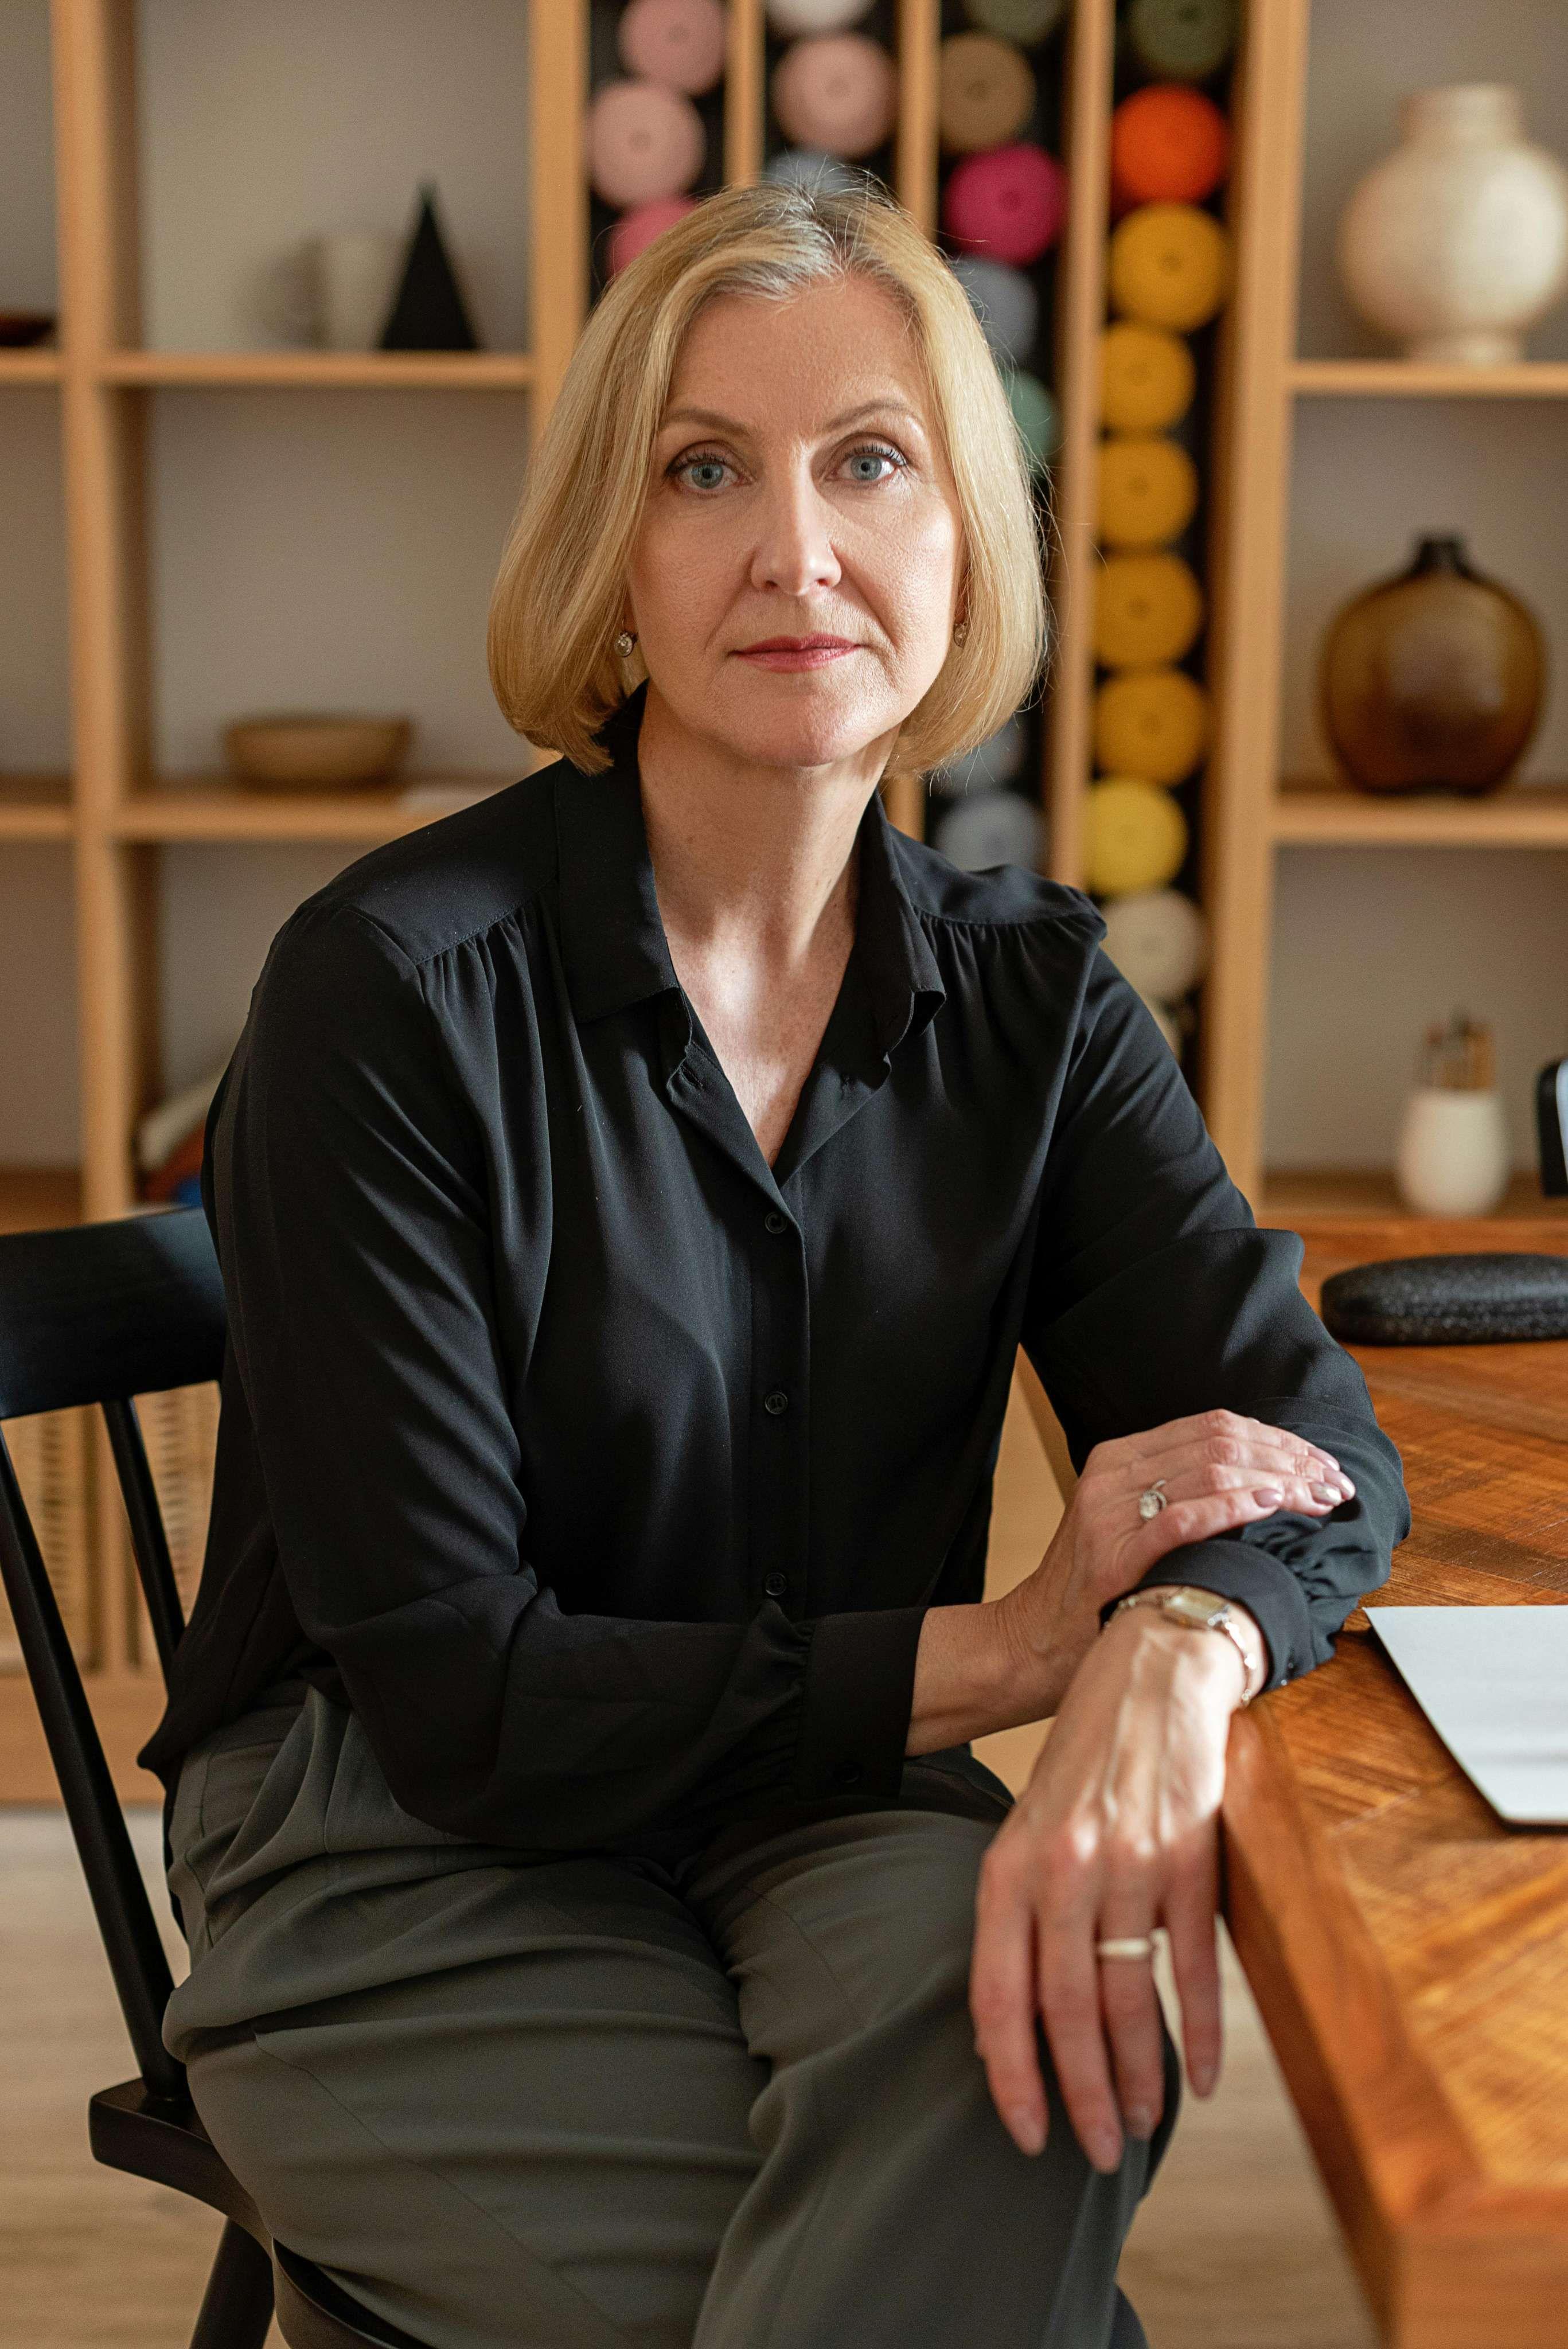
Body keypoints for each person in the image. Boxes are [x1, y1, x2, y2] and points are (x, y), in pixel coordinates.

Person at [140, 181, 1409, 2349]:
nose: (795, 550)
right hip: (398, 1831)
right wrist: (1027, 1658)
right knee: (976, 2284)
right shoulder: (388, 990)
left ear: (962, 548)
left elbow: (1302, 1434)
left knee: (1051, 2038)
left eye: (872, 462)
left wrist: (1174, 1652)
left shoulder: (1037, 1002)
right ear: (612, 562)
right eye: (704, 469)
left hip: (829, 1804)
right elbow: (462, 1688)